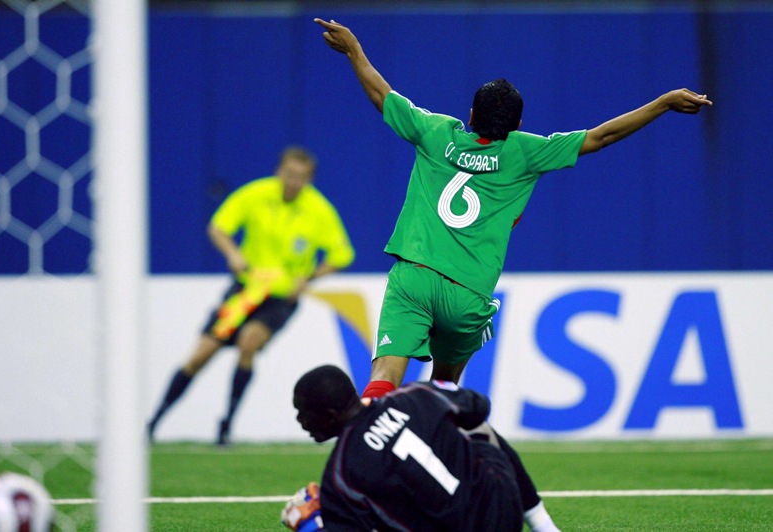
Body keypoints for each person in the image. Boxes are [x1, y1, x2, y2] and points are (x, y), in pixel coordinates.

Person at [314, 18, 713, 400]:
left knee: (384, 378)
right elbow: (602, 136)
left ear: (470, 116)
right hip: (468, 292)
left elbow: (382, 94)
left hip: (414, 277)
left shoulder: (435, 132)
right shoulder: (525, 151)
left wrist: (354, 51)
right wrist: (662, 103)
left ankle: (359, 451)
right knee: (444, 391)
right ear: (518, 123)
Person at [148, 146, 355, 445]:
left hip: (280, 299)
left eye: (301, 177)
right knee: (201, 354)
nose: (293, 181)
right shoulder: (255, 194)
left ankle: (226, 425)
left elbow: (342, 254)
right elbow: (219, 227)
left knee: (249, 342)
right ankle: (154, 421)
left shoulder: (319, 210)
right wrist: (232, 253)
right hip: (245, 292)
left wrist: (309, 277)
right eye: (289, 173)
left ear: (310, 180)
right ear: (279, 170)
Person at [288, 364, 560, 532]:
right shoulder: (415, 395)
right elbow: (479, 405)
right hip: (504, 510)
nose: (300, 421)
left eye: (303, 412)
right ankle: (543, 526)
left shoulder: (340, 473)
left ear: (331, 414)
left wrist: (313, 524)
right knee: (475, 426)